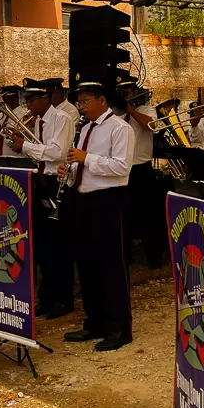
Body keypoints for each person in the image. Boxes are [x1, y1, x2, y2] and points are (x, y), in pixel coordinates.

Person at [59, 70, 133, 352]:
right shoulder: (85, 128)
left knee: (112, 265)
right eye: (79, 102)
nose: (82, 106)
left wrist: (86, 158)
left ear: (102, 100)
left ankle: (119, 328)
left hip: (109, 201)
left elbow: (120, 168)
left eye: (86, 101)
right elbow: (83, 164)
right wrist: (67, 171)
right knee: (88, 264)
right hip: (83, 200)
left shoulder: (119, 128)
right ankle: (95, 322)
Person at [8, 78, 73, 318]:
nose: (28, 105)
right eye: (27, 101)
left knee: (59, 246)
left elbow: (57, 153)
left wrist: (24, 145)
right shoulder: (38, 123)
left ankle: (63, 299)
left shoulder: (61, 119)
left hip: (57, 182)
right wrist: (22, 146)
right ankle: (46, 297)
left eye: (32, 100)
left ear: (46, 98)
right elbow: (41, 153)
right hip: (41, 181)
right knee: (43, 245)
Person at [117, 76, 164, 268]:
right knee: (124, 215)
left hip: (141, 169)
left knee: (147, 215)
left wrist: (132, 111)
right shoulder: (115, 113)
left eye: (126, 92)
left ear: (135, 92)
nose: (124, 96)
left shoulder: (146, 109)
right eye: (121, 93)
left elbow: (153, 126)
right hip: (122, 169)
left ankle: (154, 258)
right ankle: (125, 256)